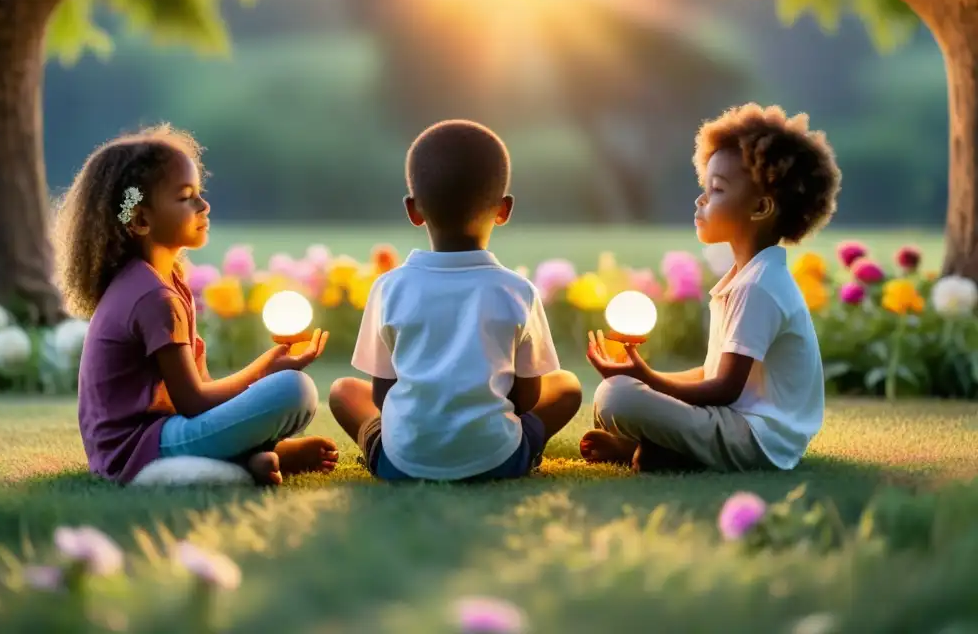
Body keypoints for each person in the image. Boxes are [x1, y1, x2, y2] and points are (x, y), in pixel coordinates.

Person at [56, 125, 339, 486]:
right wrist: (264, 370)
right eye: (186, 197)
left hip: (160, 435)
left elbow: (201, 394)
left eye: (199, 194)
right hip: (137, 451)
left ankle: (248, 459)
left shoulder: (165, 280)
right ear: (141, 219)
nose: (203, 205)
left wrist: (264, 374)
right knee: (294, 391)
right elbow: (194, 402)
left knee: (289, 388)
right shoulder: (151, 296)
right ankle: (247, 461)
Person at [581, 103, 841, 473]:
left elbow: (723, 390)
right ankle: (655, 446)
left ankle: (657, 447)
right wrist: (639, 376)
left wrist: (647, 381)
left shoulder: (759, 287)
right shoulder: (748, 277)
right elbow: (710, 373)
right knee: (619, 391)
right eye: (705, 186)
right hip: (736, 424)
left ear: (761, 207)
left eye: (717, 189)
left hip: (757, 440)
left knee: (617, 398)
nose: (701, 199)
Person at [329, 120, 583, 482]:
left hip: (402, 464)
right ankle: (507, 450)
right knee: (568, 386)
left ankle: (386, 453)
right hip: (498, 460)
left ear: (413, 210)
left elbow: (384, 397)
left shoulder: (389, 287)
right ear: (504, 209)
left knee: (344, 392)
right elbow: (527, 400)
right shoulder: (517, 290)